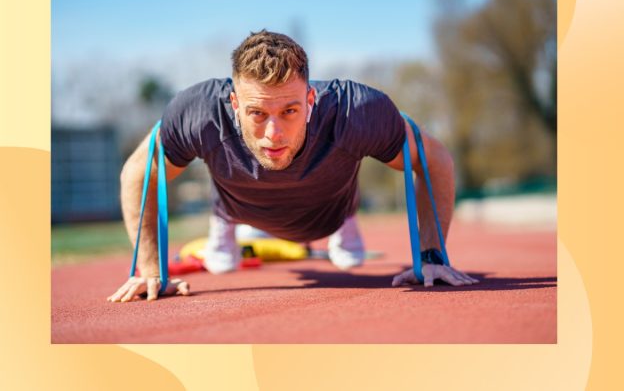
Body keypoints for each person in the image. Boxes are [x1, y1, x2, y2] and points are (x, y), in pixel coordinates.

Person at [108, 30, 478, 303]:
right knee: (221, 264)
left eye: (289, 111)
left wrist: (431, 255)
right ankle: (223, 224)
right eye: (257, 112)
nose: (274, 133)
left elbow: (435, 160)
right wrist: (151, 269)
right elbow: (139, 173)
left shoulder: (356, 112)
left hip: (329, 210)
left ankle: (348, 219)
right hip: (240, 208)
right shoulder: (199, 113)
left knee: (348, 260)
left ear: (311, 98)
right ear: (234, 104)